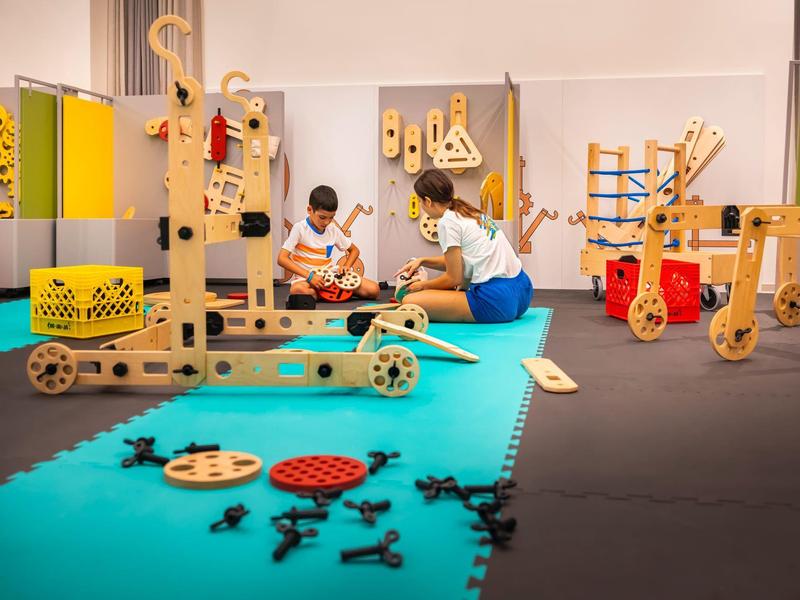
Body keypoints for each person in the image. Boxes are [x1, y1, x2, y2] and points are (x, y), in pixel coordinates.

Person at [394, 169, 533, 322]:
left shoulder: (447, 222)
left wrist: (423, 285)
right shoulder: (469, 211)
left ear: (428, 201)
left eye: (420, 201)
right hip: (523, 291)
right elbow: (461, 262)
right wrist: (422, 261)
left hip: (497, 301)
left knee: (410, 300)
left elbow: (454, 279)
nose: (421, 206)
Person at [278, 185, 379, 300]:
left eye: (331, 217)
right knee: (297, 290)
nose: (327, 222)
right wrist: (310, 276)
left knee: (374, 289)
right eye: (322, 217)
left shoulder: (333, 230)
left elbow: (354, 250)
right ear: (310, 210)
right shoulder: (299, 228)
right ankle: (336, 294)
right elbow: (282, 258)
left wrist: (346, 266)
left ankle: (325, 294)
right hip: (306, 279)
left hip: (330, 276)